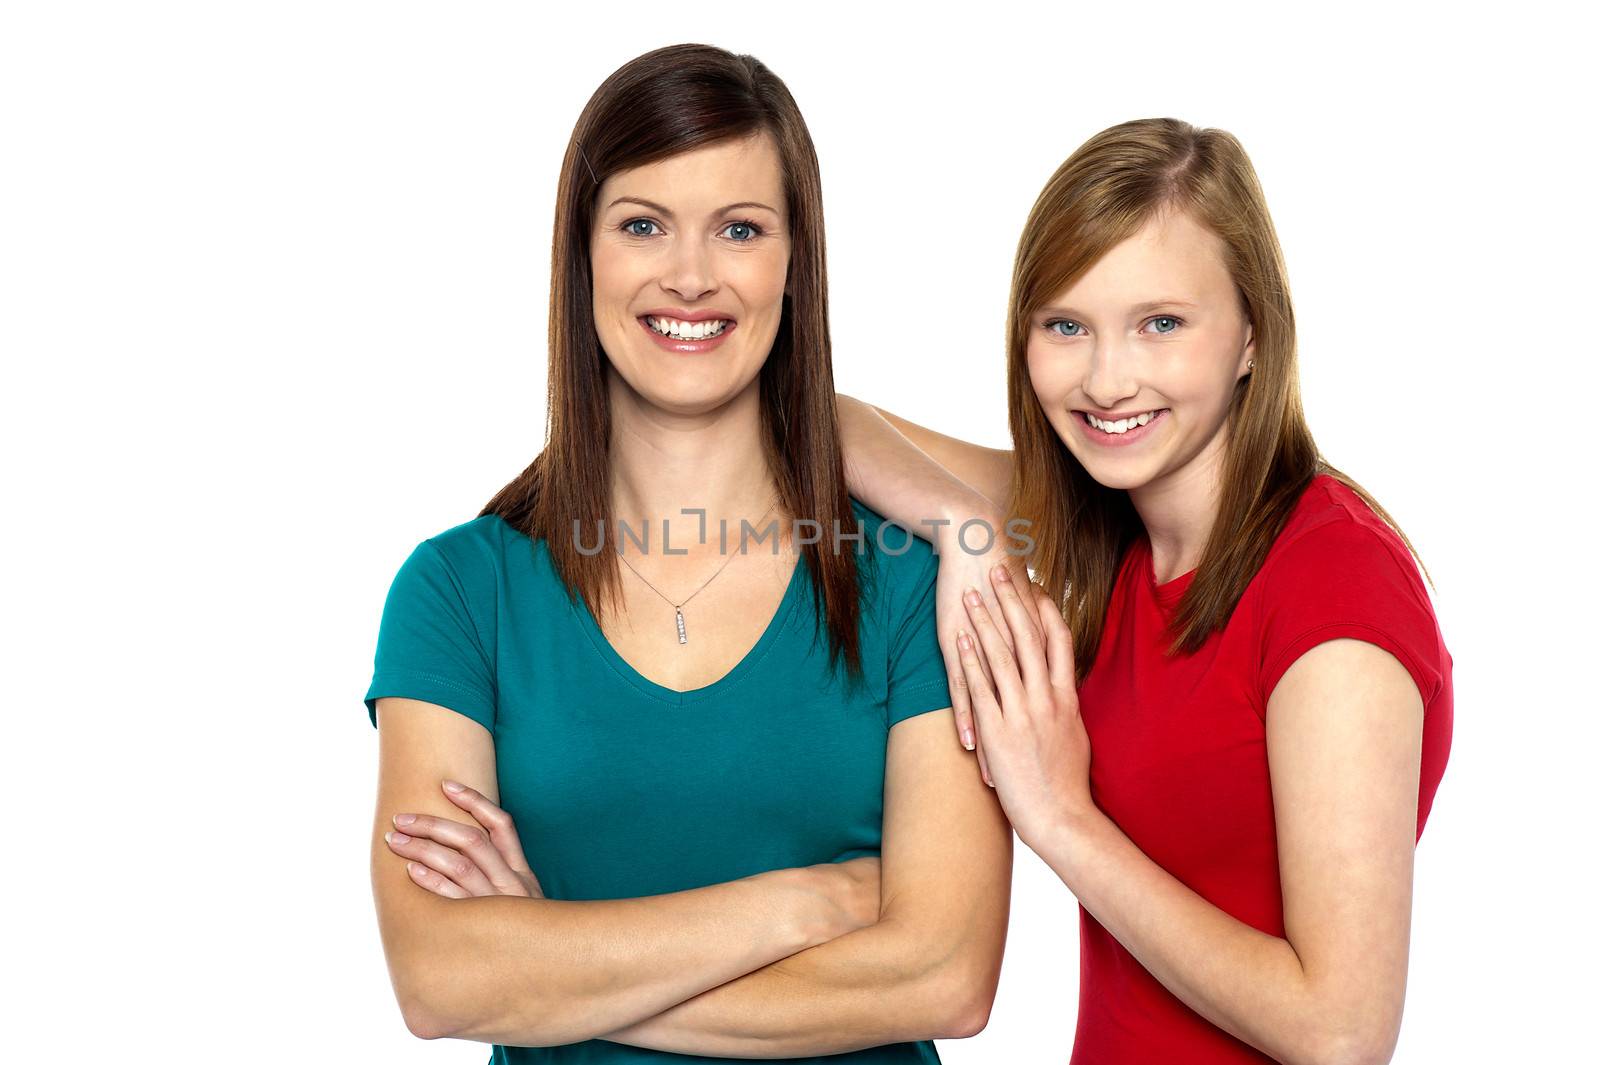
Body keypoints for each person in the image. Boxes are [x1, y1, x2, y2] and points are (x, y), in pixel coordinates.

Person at [360, 44, 1011, 1064]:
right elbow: (442, 980)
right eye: (642, 225)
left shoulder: (907, 587)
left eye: (741, 229)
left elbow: (944, 974)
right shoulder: (459, 591)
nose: (692, 275)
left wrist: (549, 969)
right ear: (583, 258)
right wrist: (813, 902)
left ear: (795, 263)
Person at [836, 117, 1453, 1064]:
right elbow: (822, 418)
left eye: (1160, 323)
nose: (1107, 379)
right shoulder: (1113, 523)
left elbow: (1340, 1031)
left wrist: (1061, 817)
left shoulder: (1335, 587)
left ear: (1252, 334)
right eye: (1066, 326)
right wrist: (966, 528)